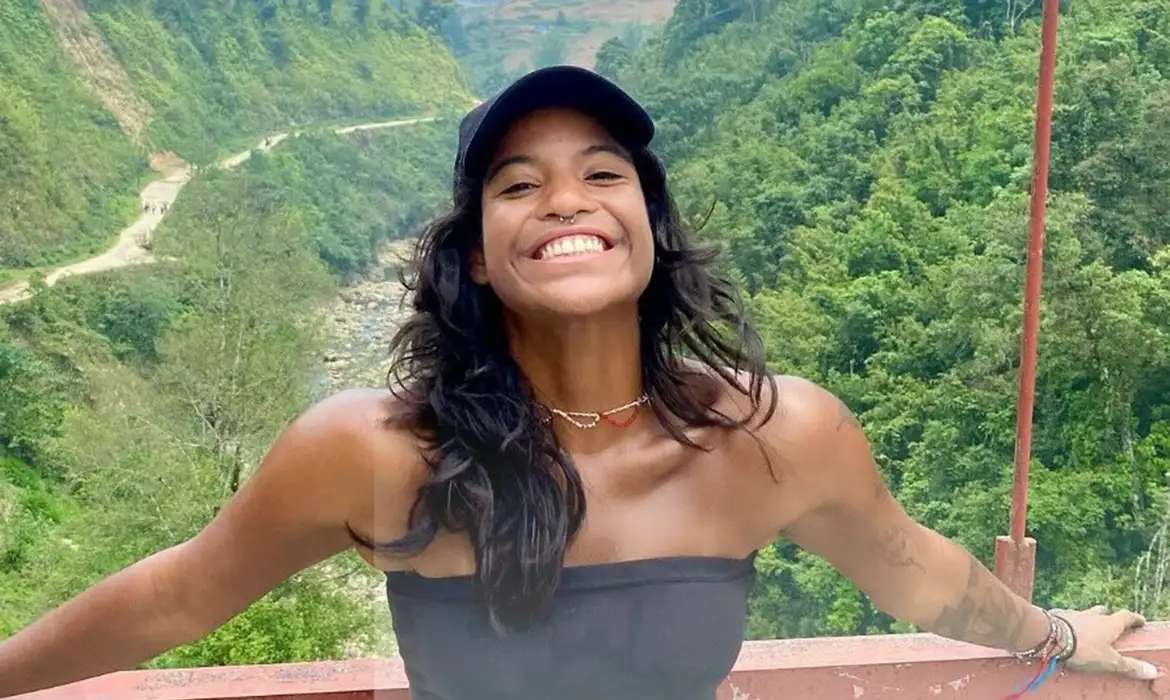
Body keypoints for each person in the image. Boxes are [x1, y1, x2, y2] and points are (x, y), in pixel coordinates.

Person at [0, 66, 1159, 700]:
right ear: (474, 255)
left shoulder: (771, 434)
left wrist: (1054, 632)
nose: (565, 198)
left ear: (648, 225)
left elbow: (911, 566)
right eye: (518, 184)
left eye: (603, 174)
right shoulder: (376, 453)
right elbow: (177, 595)